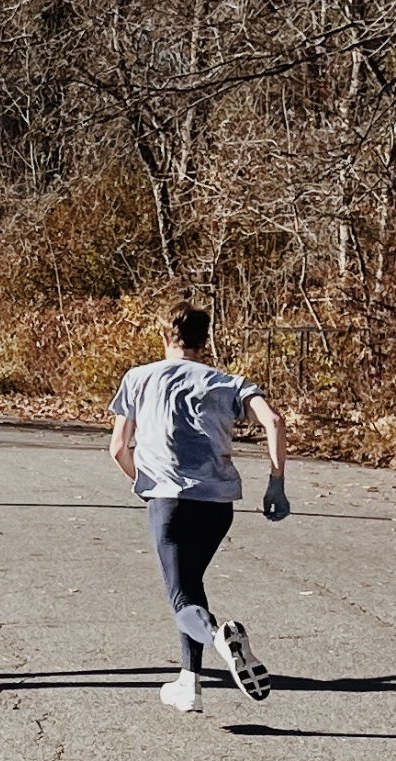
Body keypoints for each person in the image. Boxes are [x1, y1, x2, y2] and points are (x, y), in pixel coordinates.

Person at [108, 300, 289, 716]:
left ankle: (220, 638)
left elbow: (118, 447)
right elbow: (275, 422)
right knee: (191, 587)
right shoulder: (228, 382)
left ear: (164, 336)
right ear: (205, 341)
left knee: (181, 597)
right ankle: (189, 683)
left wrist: (145, 484)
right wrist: (276, 483)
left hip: (168, 501)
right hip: (217, 505)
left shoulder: (138, 378)